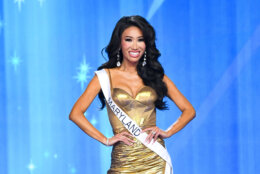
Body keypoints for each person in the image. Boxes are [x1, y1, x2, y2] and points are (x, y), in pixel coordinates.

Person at [69, 15, 196, 173]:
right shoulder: (104, 77)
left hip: (155, 159)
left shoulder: (155, 76)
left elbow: (189, 110)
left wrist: (168, 132)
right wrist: (106, 139)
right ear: (119, 43)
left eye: (140, 40)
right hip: (123, 160)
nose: (135, 46)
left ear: (146, 44)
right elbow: (75, 114)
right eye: (129, 39)